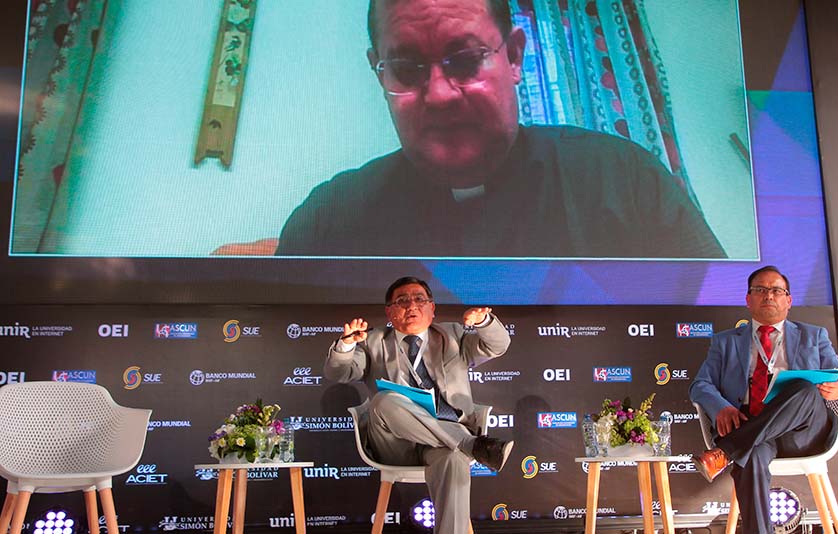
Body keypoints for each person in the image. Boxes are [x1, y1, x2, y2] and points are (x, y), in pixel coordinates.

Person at [276, 0, 726, 259]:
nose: (440, 94)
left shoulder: (626, 179)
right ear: (380, 74)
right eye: (406, 68)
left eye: (466, 59)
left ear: (513, 57)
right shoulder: (329, 217)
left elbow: (723, 327)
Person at [325, 276, 513, 534]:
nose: (411, 305)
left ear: (432, 308)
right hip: (395, 443)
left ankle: (462, 447)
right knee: (384, 400)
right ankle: (472, 445)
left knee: (454, 460)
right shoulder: (372, 341)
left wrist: (482, 322)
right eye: (402, 301)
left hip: (443, 443)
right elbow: (339, 373)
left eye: (419, 299)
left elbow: (498, 345)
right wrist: (346, 345)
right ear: (389, 312)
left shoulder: (454, 335)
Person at [689, 265, 838, 534]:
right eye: (760, 290)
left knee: (803, 388)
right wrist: (721, 406)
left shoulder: (814, 336)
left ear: (788, 301)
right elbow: (700, 385)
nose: (768, 295)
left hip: (801, 430)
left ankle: (726, 451)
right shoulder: (725, 342)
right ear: (748, 300)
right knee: (752, 455)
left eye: (776, 290)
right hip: (751, 425)